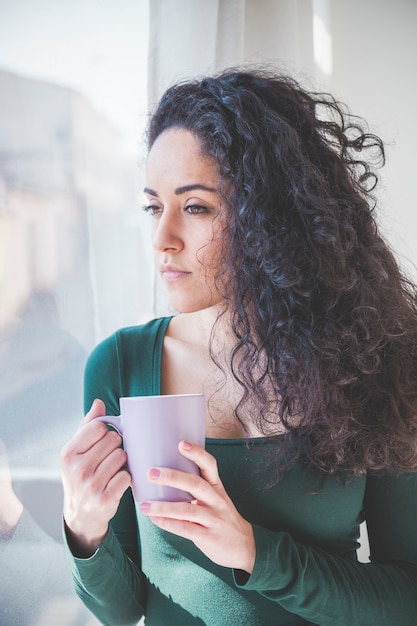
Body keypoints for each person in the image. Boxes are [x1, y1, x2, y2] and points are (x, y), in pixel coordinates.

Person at [60, 67, 417, 626]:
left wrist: (256, 554)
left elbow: (407, 597)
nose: (162, 238)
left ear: (269, 217)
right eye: (154, 206)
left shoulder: (377, 360)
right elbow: (122, 610)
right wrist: (85, 527)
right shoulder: (121, 364)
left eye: (196, 206)